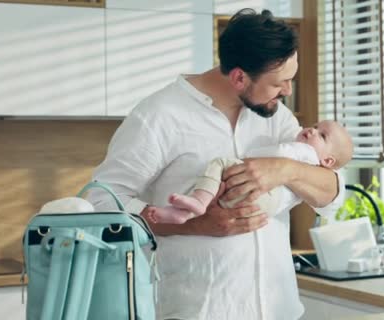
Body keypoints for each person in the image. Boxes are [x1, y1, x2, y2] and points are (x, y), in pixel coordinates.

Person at [87, 8, 347, 320]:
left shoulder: (276, 116)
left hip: (281, 311)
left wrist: (285, 169)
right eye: (280, 82)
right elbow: (99, 205)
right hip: (199, 311)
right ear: (239, 77)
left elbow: (330, 192)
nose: (288, 91)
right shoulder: (159, 117)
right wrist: (198, 224)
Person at [145, 120, 353, 224]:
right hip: (264, 206)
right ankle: (185, 212)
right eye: (315, 126)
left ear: (328, 160)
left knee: (219, 164)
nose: (311, 130)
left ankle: (193, 205)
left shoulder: (302, 150)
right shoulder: (308, 155)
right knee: (215, 195)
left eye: (322, 135)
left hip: (265, 196)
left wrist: (253, 160)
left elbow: (334, 192)